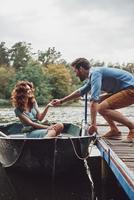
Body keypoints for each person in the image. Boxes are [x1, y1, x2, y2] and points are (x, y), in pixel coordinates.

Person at [52, 58, 134, 142]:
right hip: (123, 90)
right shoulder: (93, 75)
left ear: (80, 69)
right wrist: (61, 101)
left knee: (101, 108)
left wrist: (93, 124)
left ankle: (132, 128)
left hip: (131, 89)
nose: (76, 74)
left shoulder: (95, 73)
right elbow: (80, 92)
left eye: (75, 71)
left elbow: (94, 100)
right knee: (101, 101)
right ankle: (114, 130)